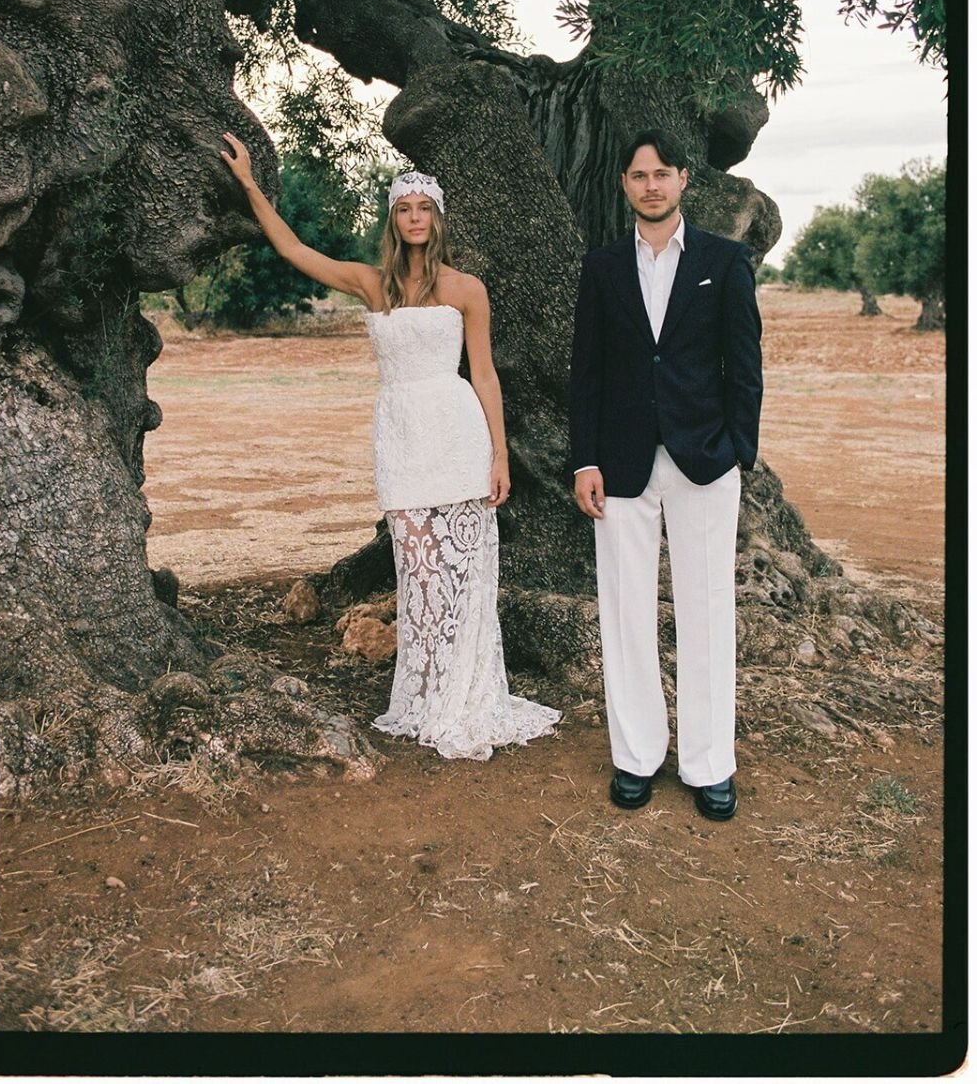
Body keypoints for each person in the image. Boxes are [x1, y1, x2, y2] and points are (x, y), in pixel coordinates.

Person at [220, 136, 560, 761]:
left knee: (463, 574)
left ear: (437, 218)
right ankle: (428, 696)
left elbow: (484, 375)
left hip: (458, 433)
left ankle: (467, 695)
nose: (414, 219)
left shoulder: (466, 289)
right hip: (402, 436)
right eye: (403, 208)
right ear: (393, 219)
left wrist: (499, 455)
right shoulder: (373, 284)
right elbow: (295, 250)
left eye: (423, 208)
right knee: (418, 573)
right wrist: (249, 185)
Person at [569, 129, 762, 821]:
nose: (649, 184)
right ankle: (635, 757)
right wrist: (584, 459)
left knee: (707, 608)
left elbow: (744, 363)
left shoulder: (724, 260)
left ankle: (710, 765)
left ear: (683, 179)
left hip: (704, 460)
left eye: (661, 173)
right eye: (637, 174)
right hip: (619, 463)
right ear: (624, 184)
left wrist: (740, 447)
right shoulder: (601, 267)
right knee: (624, 610)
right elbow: (585, 372)